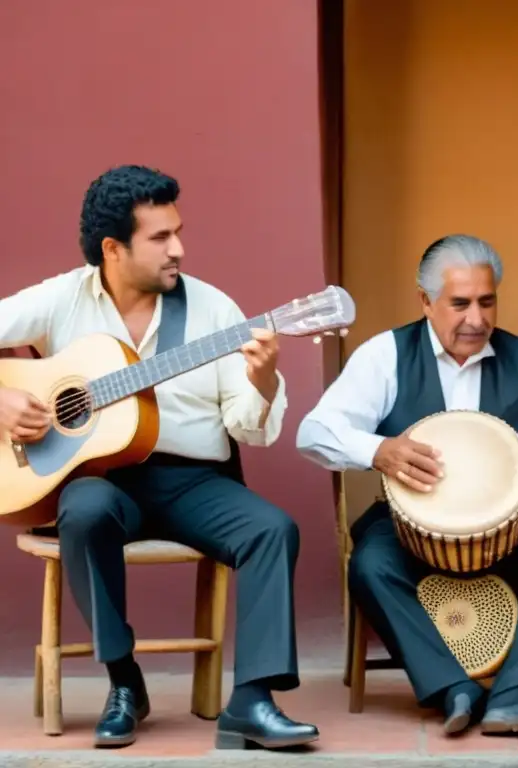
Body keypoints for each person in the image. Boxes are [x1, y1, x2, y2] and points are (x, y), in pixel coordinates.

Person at [0, 165, 319, 750]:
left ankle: (252, 701)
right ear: (112, 249)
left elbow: (248, 429)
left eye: (178, 232)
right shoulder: (60, 298)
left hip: (192, 480)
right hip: (101, 479)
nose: (179, 249)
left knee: (272, 529)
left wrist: (265, 379)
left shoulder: (215, 310)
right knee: (84, 510)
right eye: (160, 238)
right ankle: (124, 682)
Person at [296, 234, 518, 736]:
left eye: (487, 301)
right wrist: (379, 450)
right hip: (407, 523)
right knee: (370, 565)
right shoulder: (385, 355)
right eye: (460, 304)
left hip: (507, 527)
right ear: (425, 301)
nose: (476, 319)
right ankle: (452, 688)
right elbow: (315, 431)